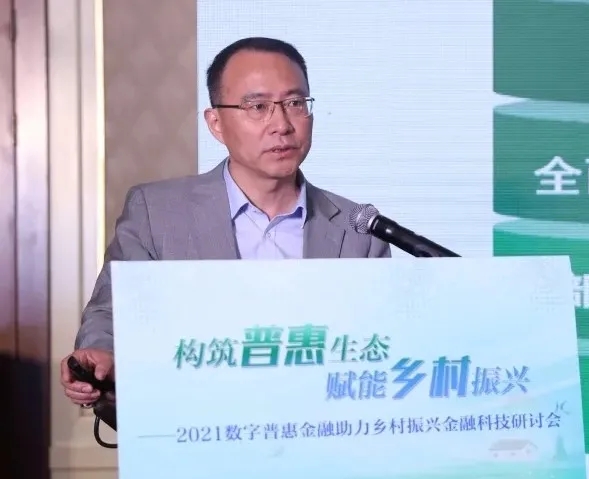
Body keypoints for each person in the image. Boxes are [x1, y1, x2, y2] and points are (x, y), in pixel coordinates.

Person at [61, 37, 391, 406]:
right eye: (258, 106)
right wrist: (101, 354)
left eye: (295, 103)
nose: (281, 124)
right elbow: (112, 312)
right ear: (215, 123)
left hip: (318, 425)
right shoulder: (156, 213)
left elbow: (379, 345)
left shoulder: (359, 230)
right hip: (197, 420)